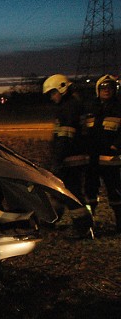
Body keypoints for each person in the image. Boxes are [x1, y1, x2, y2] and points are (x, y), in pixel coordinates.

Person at [42, 74, 94, 239]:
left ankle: (83, 227)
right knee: (58, 192)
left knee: (72, 193)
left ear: (62, 88)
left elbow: (64, 138)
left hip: (70, 159)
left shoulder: (68, 108)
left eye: (53, 93)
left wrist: (57, 161)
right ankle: (49, 221)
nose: (52, 97)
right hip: (74, 157)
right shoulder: (74, 105)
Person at [83, 74, 121, 234]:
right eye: (103, 88)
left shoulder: (119, 107)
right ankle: (91, 221)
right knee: (90, 190)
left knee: (115, 191)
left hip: (111, 159)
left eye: (110, 88)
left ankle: (119, 222)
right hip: (93, 158)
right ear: (97, 90)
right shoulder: (91, 108)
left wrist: (116, 146)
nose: (107, 91)